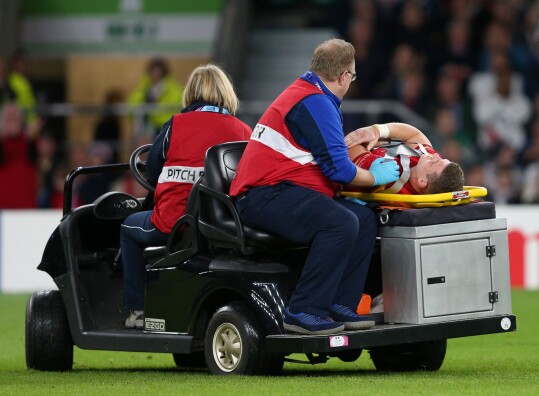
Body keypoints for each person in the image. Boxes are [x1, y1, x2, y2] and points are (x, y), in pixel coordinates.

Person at [230, 39, 401, 335]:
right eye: (353, 75)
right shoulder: (315, 102)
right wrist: (374, 178)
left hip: (276, 190)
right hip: (262, 196)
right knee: (341, 222)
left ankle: (339, 305)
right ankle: (303, 311)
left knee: (362, 219)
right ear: (344, 76)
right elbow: (340, 170)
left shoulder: (309, 94)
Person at [121, 64, 251, 329]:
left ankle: (136, 310)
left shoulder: (175, 125)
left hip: (174, 223)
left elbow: (154, 172)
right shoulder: (244, 131)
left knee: (128, 227)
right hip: (222, 229)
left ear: (190, 92)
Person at [345, 122, 464, 195]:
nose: (436, 156)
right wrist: (378, 130)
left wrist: (375, 139)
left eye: (435, 162)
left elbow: (351, 145)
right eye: (442, 159)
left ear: (422, 181)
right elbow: (414, 134)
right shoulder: (425, 163)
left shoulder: (387, 177)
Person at [128, 58, 183, 136]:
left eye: (158, 71)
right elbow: (133, 101)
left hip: (164, 124)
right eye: (154, 71)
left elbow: (176, 102)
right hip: (146, 123)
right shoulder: (145, 85)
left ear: (163, 72)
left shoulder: (171, 86)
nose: (156, 74)